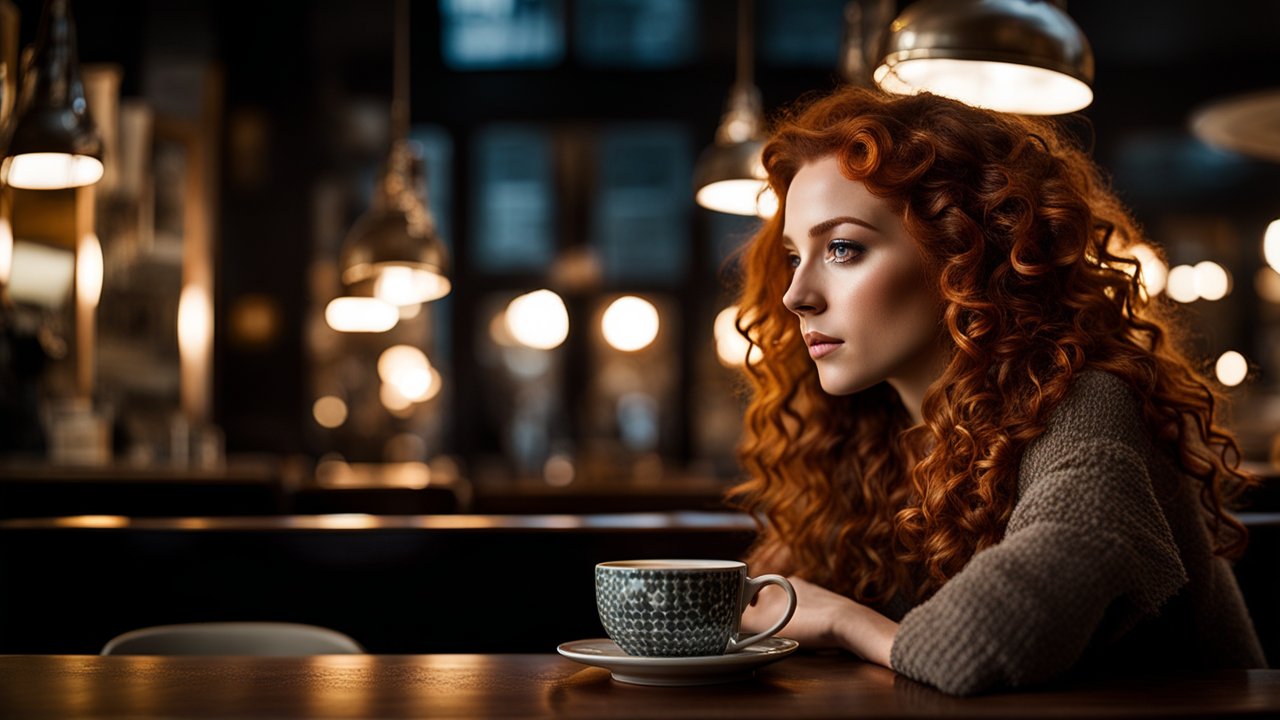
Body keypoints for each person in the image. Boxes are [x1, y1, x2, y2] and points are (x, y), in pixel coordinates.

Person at [729, 85, 1267, 696]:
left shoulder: (1084, 405)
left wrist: (844, 621)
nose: (795, 295)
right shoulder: (865, 434)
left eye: (844, 249)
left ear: (965, 251)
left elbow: (982, 643)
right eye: (796, 256)